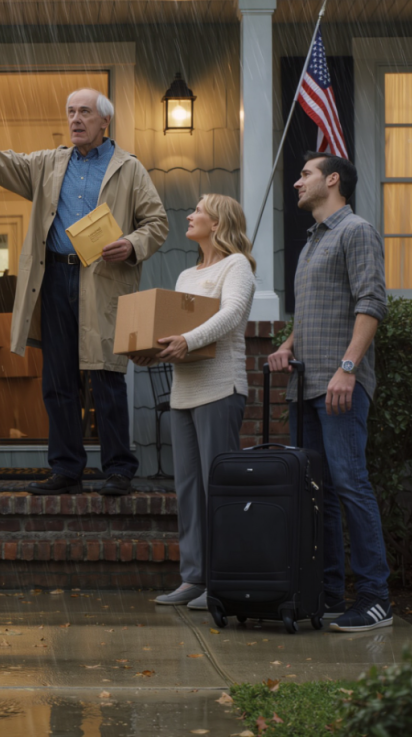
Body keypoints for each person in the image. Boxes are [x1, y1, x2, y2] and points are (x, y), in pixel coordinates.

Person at [0, 89, 169, 496]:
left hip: (103, 280)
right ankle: (66, 469)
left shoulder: (129, 169)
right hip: (54, 279)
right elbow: (6, 163)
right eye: (71, 112)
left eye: (85, 112)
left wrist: (131, 244)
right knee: (58, 379)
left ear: (104, 121)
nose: (76, 119)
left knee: (105, 374)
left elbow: (157, 222)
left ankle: (118, 470)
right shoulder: (48, 163)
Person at [268, 152, 390, 632]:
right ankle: (332, 592)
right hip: (306, 385)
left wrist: (348, 368)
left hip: (339, 386)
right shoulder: (311, 242)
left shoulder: (355, 230)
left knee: (351, 484)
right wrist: (287, 344)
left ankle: (377, 598)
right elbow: (315, 311)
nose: (297, 182)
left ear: (332, 180)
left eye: (306, 174)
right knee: (319, 494)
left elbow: (371, 302)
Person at [140, 194, 257, 611]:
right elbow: (173, 328)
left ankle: (223, 581)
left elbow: (231, 314)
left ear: (218, 222)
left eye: (198, 211)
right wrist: (151, 348)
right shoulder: (187, 274)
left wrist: (187, 339)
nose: (189, 215)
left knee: (218, 489)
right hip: (183, 393)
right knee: (188, 489)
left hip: (220, 389)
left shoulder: (236, 265)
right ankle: (194, 578)